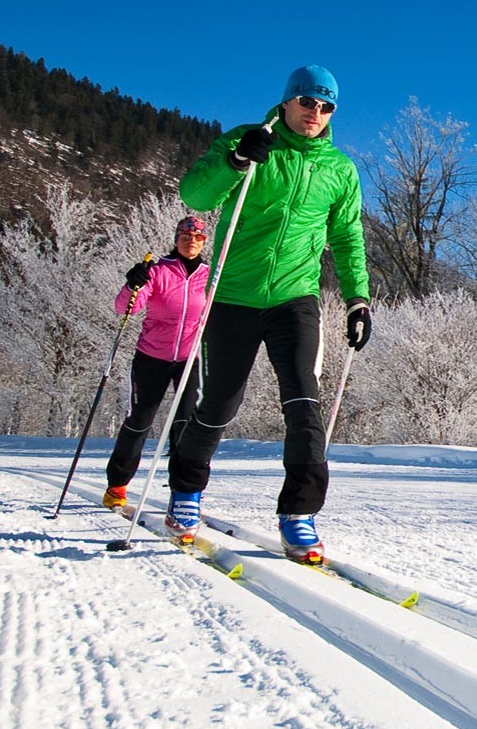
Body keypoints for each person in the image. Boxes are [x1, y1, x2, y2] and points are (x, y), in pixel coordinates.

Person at [165, 64, 371, 563]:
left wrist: (357, 299)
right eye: (308, 102)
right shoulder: (249, 141)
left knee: (304, 401)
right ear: (287, 101)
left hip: (294, 298)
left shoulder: (340, 170)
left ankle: (299, 513)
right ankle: (186, 491)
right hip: (234, 295)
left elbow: (347, 238)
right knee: (220, 403)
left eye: (326, 106)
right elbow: (195, 195)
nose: (315, 113)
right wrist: (235, 161)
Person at [100, 215, 211, 508]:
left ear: (204, 242)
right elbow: (125, 309)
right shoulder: (159, 270)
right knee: (139, 421)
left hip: (190, 359)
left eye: (197, 237)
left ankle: (184, 493)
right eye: (185, 236)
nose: (191, 241)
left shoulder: (210, 276)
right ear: (176, 239)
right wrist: (132, 284)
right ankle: (117, 486)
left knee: (187, 425)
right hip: (152, 356)